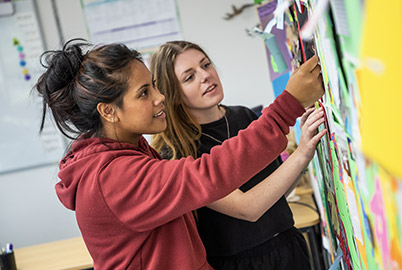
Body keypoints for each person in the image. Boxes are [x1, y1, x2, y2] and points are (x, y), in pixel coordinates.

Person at [34, 38, 324, 270]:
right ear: (109, 111)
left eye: (154, 86)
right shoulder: (112, 178)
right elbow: (207, 175)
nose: (160, 97)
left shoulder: (128, 151)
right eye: (144, 93)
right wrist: (288, 106)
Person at [149, 40, 326, 270]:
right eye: (189, 77)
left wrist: (307, 148)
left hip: (288, 246)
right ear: (173, 93)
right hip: (241, 264)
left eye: (205, 65)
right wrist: (301, 153)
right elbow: (248, 208)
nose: (205, 76)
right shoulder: (177, 153)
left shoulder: (245, 116)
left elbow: (279, 191)